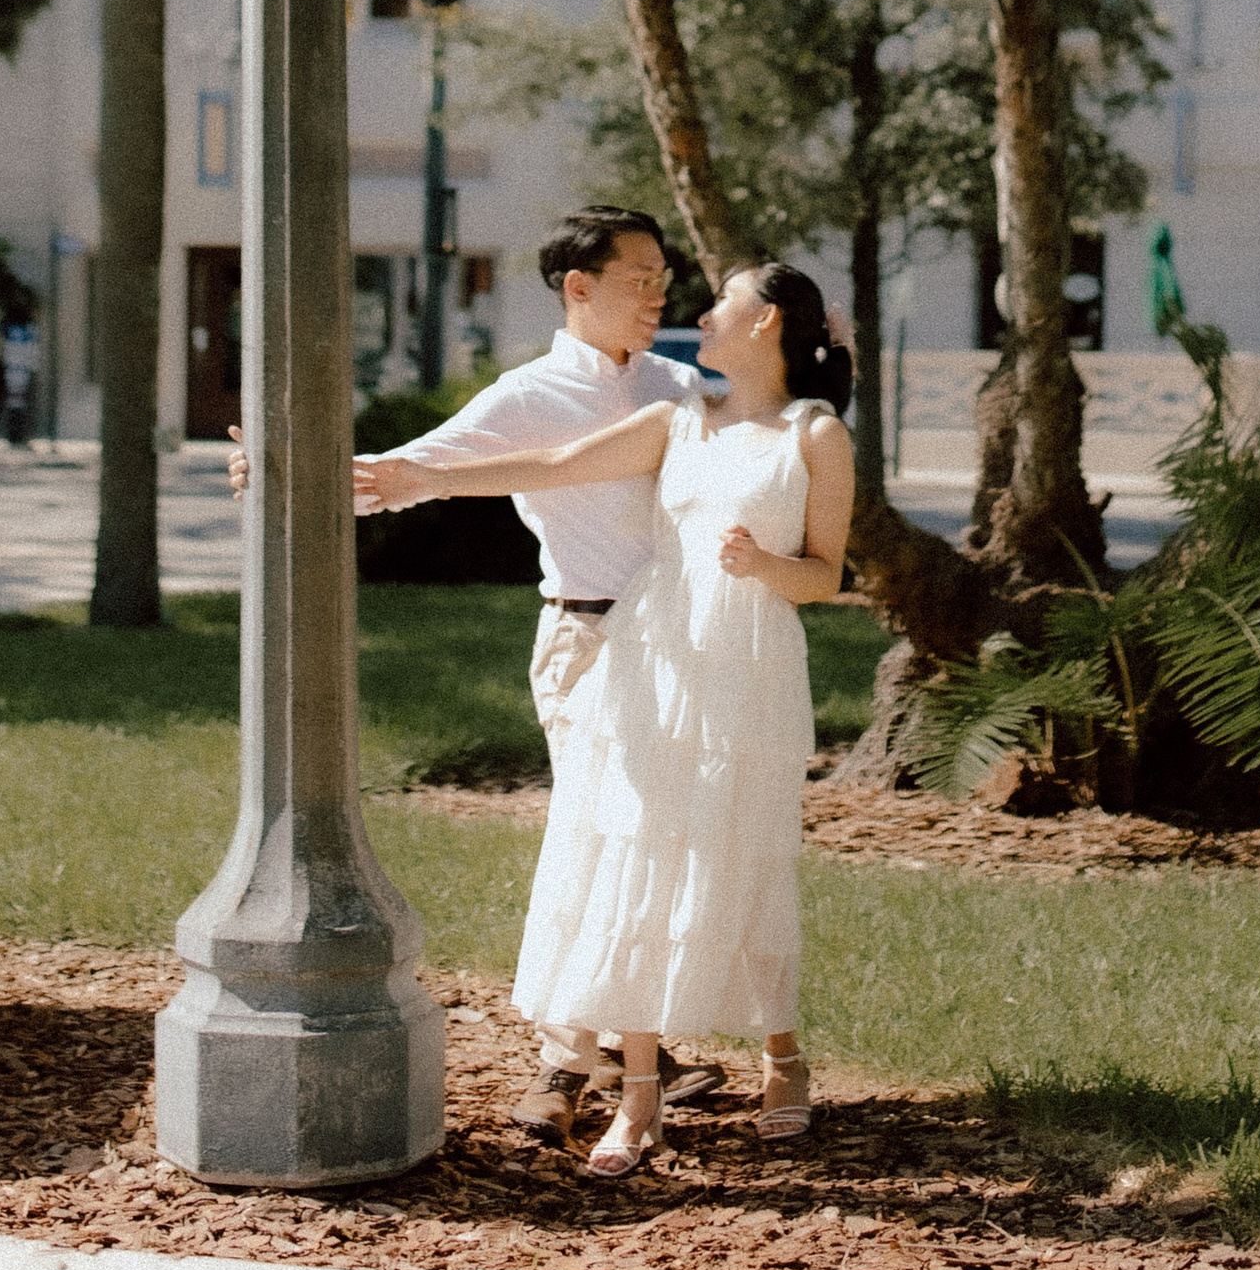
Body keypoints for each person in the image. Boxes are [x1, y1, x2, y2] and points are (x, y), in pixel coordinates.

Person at [354, 259, 857, 1181]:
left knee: (739, 848)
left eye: (722, 301)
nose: (701, 312)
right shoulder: (677, 418)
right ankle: (639, 1097)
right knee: (634, 855)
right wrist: (406, 477)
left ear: (769, 322)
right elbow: (548, 464)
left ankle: (783, 1054)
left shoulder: (815, 434)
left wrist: (763, 567)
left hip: (747, 668)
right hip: (650, 658)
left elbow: (826, 573)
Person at [231, 205, 707, 1146]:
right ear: (579, 286)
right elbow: (404, 472)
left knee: (654, 849)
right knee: (594, 840)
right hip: (585, 643)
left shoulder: (682, 387)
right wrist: (282, 472)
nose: (658, 294)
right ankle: (569, 1058)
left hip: (680, 654)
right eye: (639, 276)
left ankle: (631, 1046)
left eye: (663, 277)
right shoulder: (526, 395)